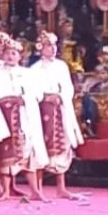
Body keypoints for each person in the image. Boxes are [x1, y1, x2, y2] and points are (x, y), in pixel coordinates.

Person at [0, 31, 48, 201]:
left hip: (24, 117)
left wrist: (23, 99)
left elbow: (37, 95)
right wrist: (6, 101)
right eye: (7, 53)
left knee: (28, 153)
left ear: (20, 56)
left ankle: (35, 190)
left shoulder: (27, 73)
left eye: (14, 53)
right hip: (3, 118)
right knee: (5, 153)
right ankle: (5, 191)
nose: (10, 56)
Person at [31, 30, 84, 199]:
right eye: (48, 46)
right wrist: (46, 97)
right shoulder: (34, 69)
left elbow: (68, 87)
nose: (52, 49)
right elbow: (33, 91)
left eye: (54, 45)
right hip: (43, 110)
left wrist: (61, 97)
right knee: (41, 145)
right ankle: (37, 188)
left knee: (62, 144)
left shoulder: (61, 66)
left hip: (60, 108)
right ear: (41, 48)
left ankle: (61, 187)